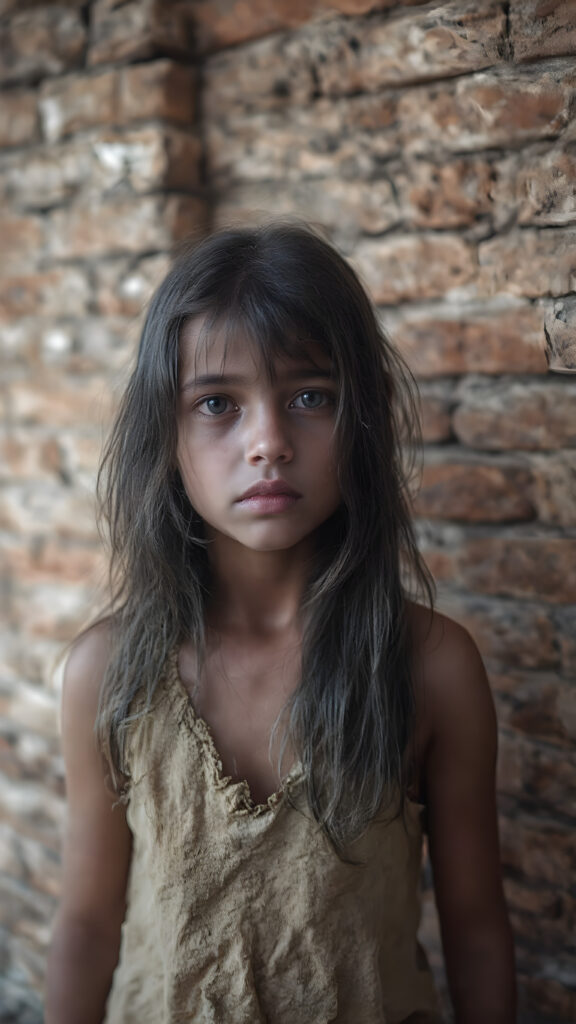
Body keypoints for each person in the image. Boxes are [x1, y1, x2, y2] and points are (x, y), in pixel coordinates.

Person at [45, 222, 516, 1024]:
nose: (268, 443)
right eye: (217, 403)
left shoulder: (430, 667)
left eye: (309, 397)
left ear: (359, 418)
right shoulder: (108, 672)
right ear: (167, 434)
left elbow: (474, 927)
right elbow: (89, 923)